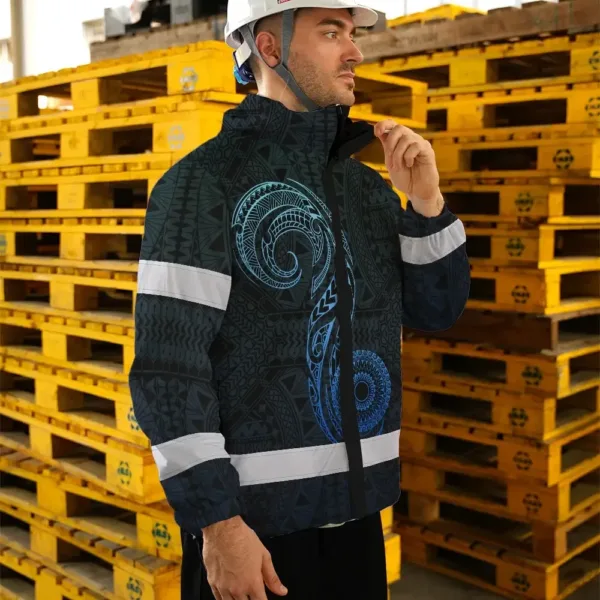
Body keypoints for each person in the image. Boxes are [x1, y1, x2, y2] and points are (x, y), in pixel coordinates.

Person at [129, 0, 470, 598]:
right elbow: (168, 370)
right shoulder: (201, 186)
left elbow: (436, 310)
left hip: (357, 520)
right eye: (332, 32)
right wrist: (218, 524)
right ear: (270, 48)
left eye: (353, 33)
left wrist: (426, 204)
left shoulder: (367, 191)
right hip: (254, 536)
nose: (355, 52)